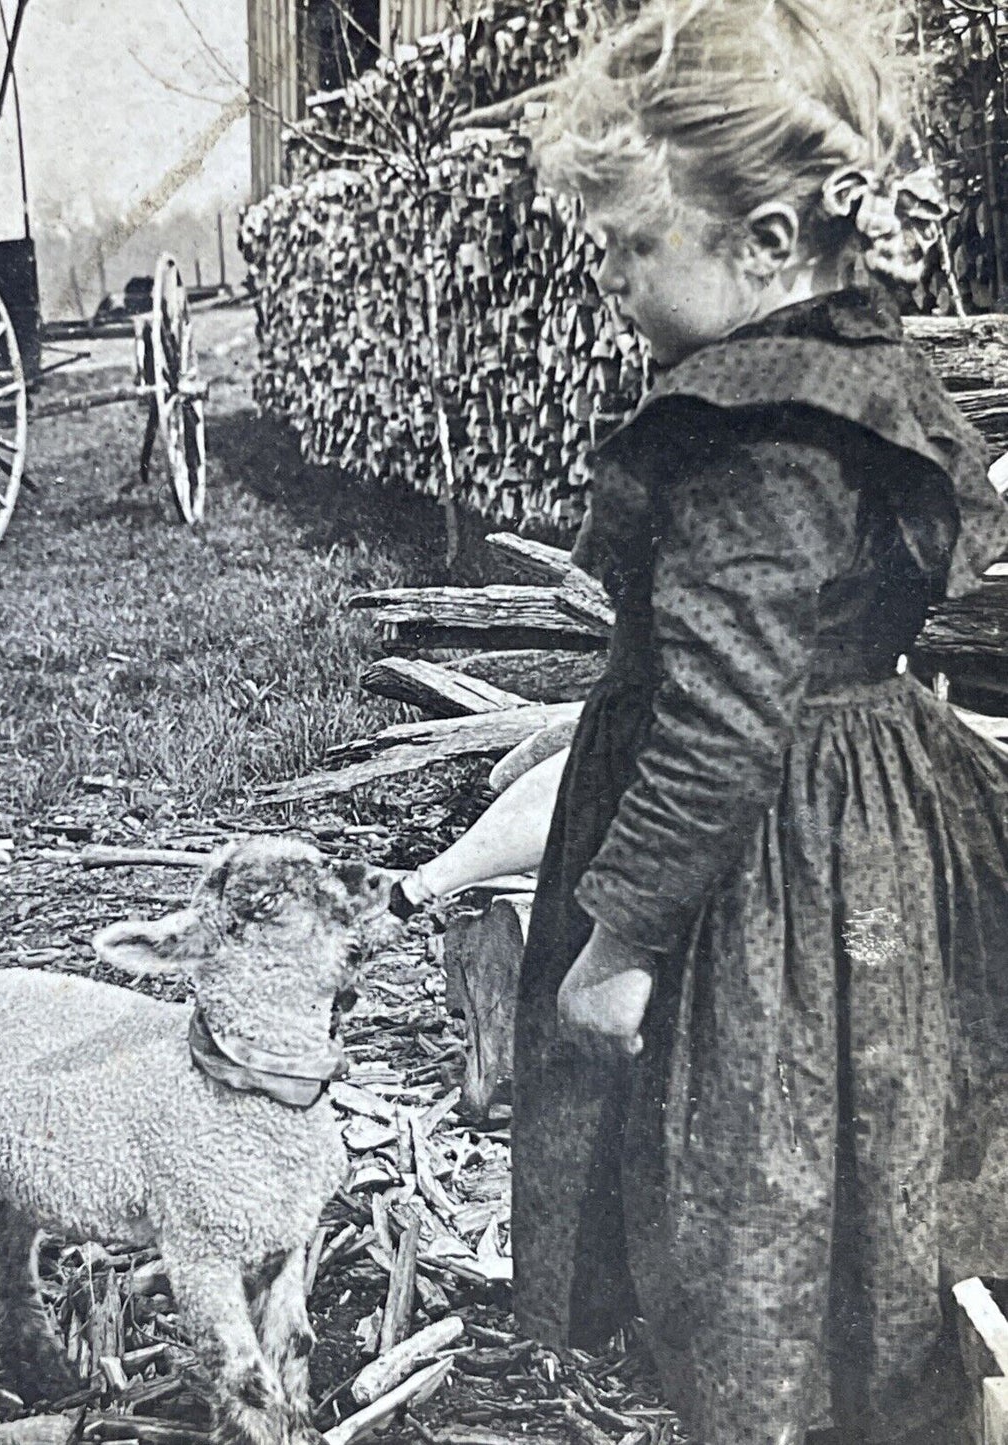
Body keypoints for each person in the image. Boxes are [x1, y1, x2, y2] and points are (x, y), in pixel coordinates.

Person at [397, 2, 1008, 1440]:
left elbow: (724, 716)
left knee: (741, 1154)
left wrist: (621, 943)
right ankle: (864, 1386)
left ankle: (765, 1400)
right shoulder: (871, 375)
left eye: (629, 245)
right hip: (875, 807)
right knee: (858, 1132)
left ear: (771, 249)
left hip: (763, 858)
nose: (607, 277)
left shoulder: (745, 432)